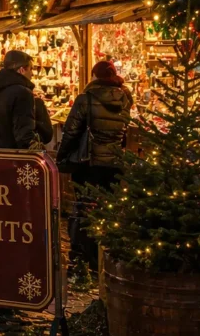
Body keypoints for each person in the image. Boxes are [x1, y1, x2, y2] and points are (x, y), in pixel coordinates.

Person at [57, 60, 133, 269]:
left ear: (94, 76)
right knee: (109, 208)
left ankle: (83, 258)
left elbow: (71, 131)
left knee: (83, 208)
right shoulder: (125, 97)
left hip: (88, 162)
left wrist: (61, 157)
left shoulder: (86, 98)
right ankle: (105, 254)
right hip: (114, 162)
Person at [0, 50, 39, 149]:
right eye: (30, 69)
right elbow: (23, 133)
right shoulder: (23, 93)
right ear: (21, 70)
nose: (32, 73)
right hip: (13, 155)